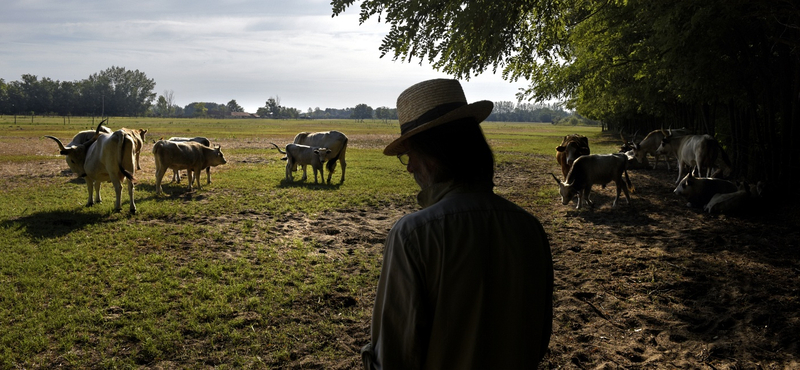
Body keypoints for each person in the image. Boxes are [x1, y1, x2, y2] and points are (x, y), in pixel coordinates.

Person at [362, 79, 554, 369]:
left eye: (409, 154)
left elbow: (393, 358)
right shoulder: (530, 228)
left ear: (435, 153)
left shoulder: (413, 235)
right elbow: (539, 338)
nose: (410, 166)